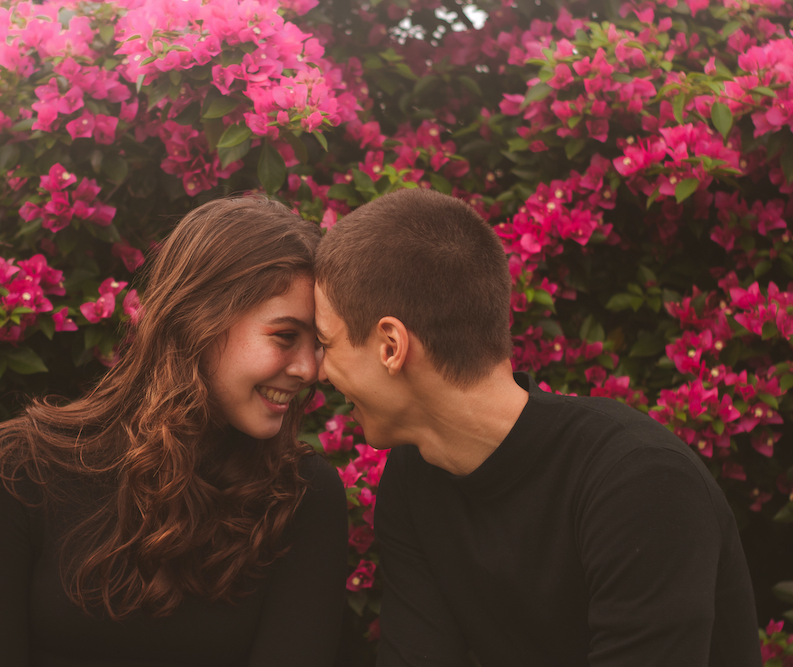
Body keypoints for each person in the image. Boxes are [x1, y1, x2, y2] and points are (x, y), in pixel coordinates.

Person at [313, 187, 760, 666]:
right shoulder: (414, 477)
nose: (317, 371)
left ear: (390, 346)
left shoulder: (640, 480)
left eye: (326, 343)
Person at [0, 196, 347, 667]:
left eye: (318, 344)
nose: (309, 369)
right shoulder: (18, 471)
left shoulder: (303, 496)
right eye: (285, 336)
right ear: (199, 320)